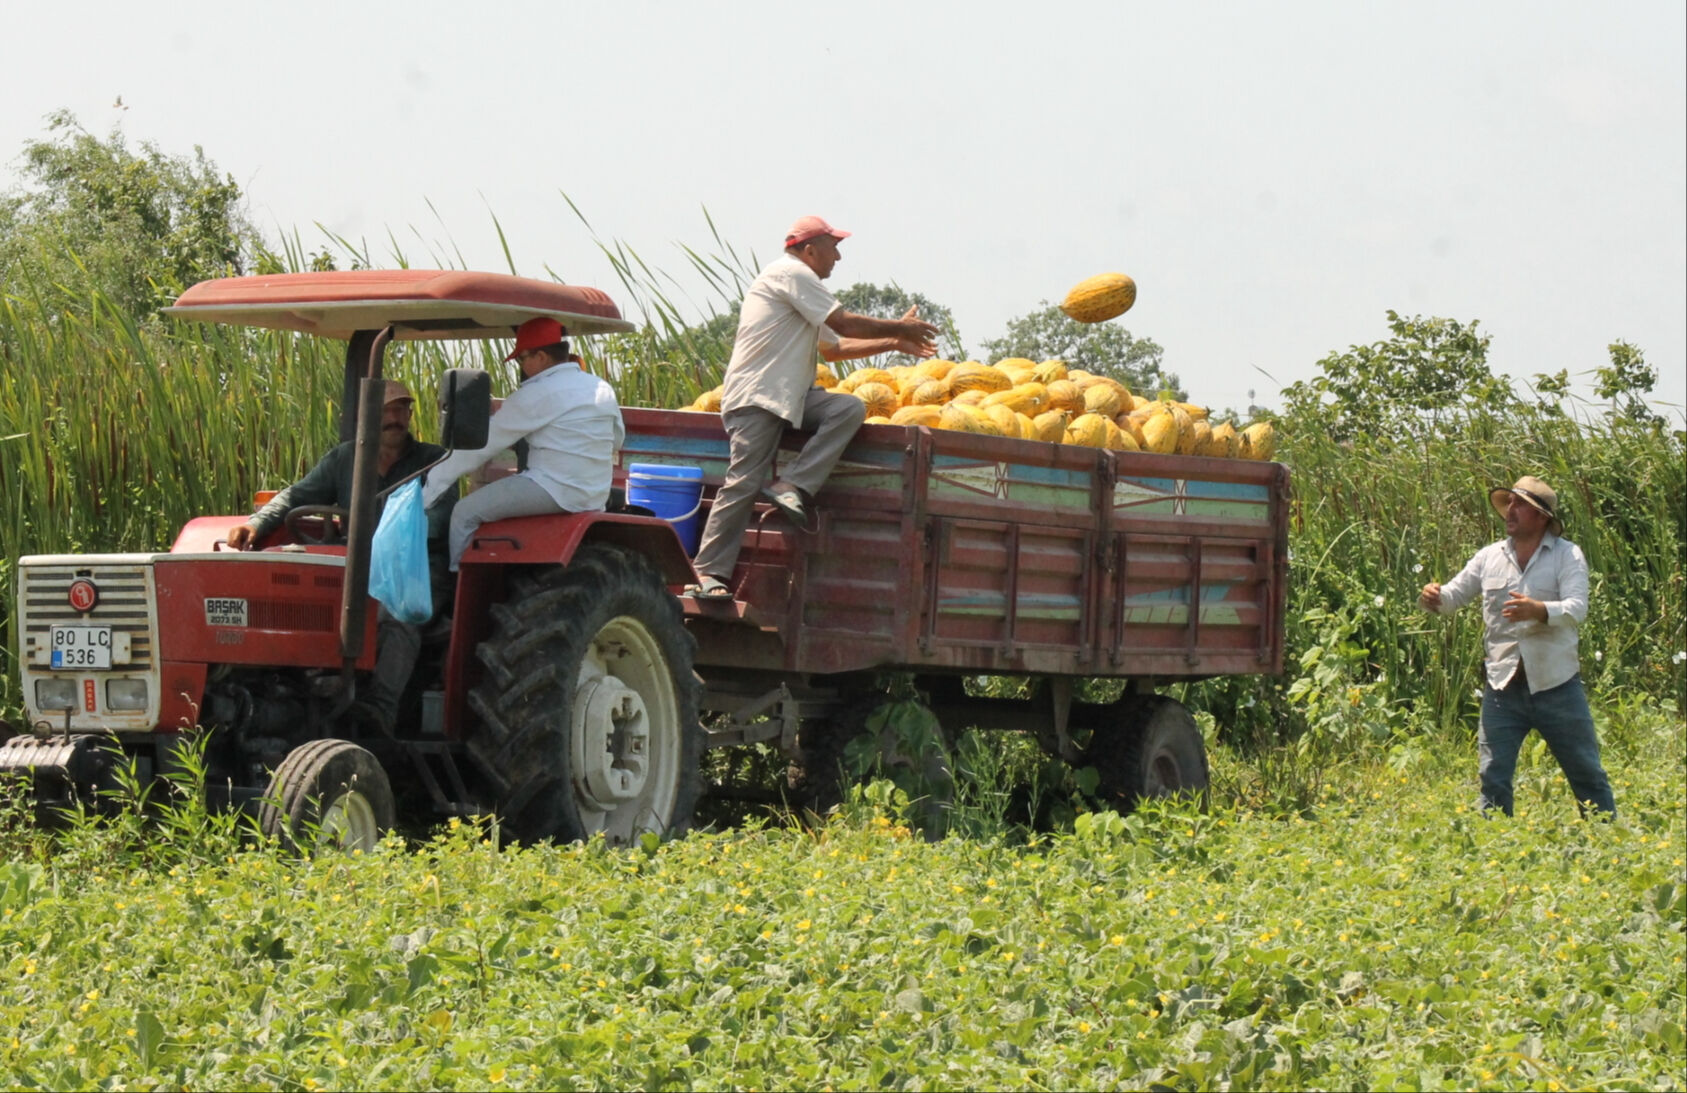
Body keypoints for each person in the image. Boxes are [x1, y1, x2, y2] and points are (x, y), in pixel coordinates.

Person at [687, 215, 941, 599]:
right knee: (743, 482)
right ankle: (707, 573)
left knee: (847, 409)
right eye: (833, 247)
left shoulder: (802, 289)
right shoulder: (791, 274)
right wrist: (899, 327)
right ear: (809, 250)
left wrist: (893, 342)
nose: (838, 257)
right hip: (758, 396)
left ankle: (792, 484)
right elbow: (845, 324)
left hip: (790, 398)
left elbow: (834, 348)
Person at [228, 379, 454, 730]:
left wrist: (389, 536)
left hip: (417, 567)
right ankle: (293, 692)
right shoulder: (345, 458)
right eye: (387, 410)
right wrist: (256, 524)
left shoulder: (433, 461)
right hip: (356, 564)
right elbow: (296, 496)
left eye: (402, 409)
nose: (395, 418)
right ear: (368, 417)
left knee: (399, 613)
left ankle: (379, 710)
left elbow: (439, 518)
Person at [1419, 475, 1615, 817]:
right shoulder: (1488, 557)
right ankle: (1496, 842)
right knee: (1493, 775)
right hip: (1502, 686)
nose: (1510, 510)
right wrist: (1432, 596)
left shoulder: (1568, 555)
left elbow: (1577, 609)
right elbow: (1452, 598)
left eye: (1520, 504)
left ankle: (1606, 836)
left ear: (1542, 516)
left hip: (1557, 685)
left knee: (1586, 772)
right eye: (1509, 502)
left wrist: (1539, 610)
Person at [421, 316, 624, 570]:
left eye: (521, 359)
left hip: (554, 489)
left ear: (541, 357)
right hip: (594, 495)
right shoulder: (601, 387)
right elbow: (616, 439)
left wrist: (429, 491)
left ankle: (456, 582)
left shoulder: (536, 393)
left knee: (464, 513)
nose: (522, 366)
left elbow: (480, 447)